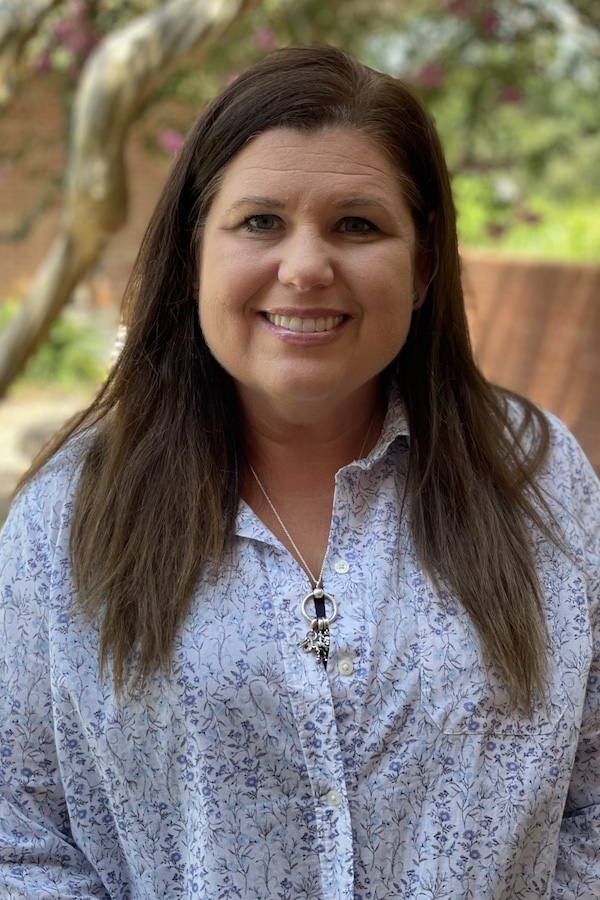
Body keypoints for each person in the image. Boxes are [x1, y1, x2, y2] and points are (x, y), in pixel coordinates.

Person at [0, 44, 598, 900]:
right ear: (193, 252)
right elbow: (17, 833)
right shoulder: (67, 516)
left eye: (357, 224)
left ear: (424, 265)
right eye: (260, 222)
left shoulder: (536, 480)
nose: (307, 266)